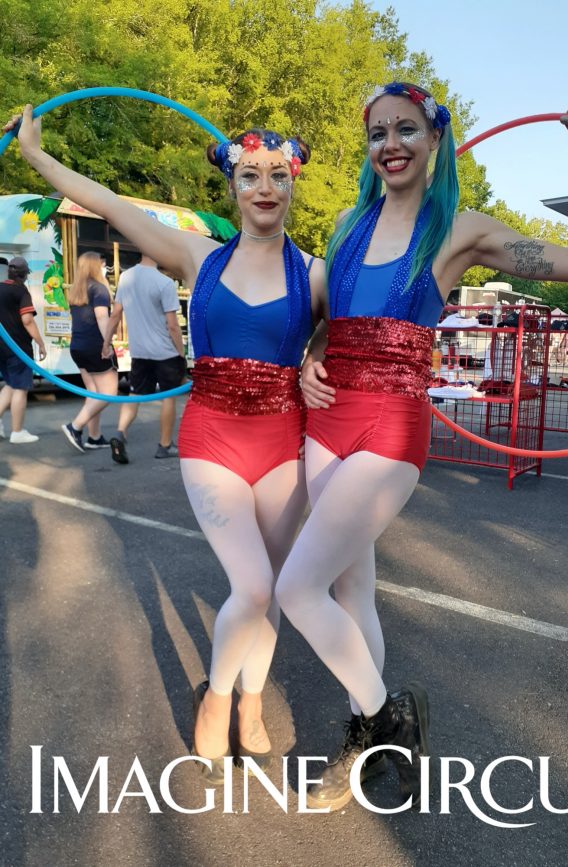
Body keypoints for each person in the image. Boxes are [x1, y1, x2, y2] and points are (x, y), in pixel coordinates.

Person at [277, 84, 568, 810]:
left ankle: (386, 717)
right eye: (377, 133)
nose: (390, 143)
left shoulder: (459, 229)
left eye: (406, 129)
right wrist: (310, 353)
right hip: (329, 418)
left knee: (295, 587)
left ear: (435, 140)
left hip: (391, 427)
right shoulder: (347, 225)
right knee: (348, 587)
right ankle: (363, 733)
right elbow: (329, 319)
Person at [4, 106, 326, 783]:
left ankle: (250, 703)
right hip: (213, 436)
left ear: (292, 182)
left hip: (282, 440)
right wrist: (34, 155)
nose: (264, 187)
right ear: (232, 187)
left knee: (264, 592)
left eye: (276, 174)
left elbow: (358, 326)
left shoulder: (316, 274)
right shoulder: (197, 256)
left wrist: (315, 357)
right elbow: (107, 202)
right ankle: (216, 697)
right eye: (249, 176)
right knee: (255, 583)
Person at [101, 254, 186, 463]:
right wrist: (181, 353)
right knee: (168, 396)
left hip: (139, 351)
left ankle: (120, 433)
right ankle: (165, 445)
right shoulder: (164, 283)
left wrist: (105, 343)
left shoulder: (126, 277)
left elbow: (115, 314)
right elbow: (173, 325)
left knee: (134, 394)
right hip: (165, 352)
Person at [60, 251, 118, 453]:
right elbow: (102, 318)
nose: (105, 267)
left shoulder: (77, 291)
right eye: (102, 264)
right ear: (95, 266)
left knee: (93, 393)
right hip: (95, 346)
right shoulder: (100, 289)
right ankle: (75, 426)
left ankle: (94, 437)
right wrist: (107, 344)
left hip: (78, 346)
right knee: (109, 393)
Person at [0, 256, 47, 443]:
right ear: (24, 274)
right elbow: (27, 320)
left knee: (10, 385)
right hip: (18, 348)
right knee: (20, 388)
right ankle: (17, 432)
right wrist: (41, 343)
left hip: (1, 347)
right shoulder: (20, 290)